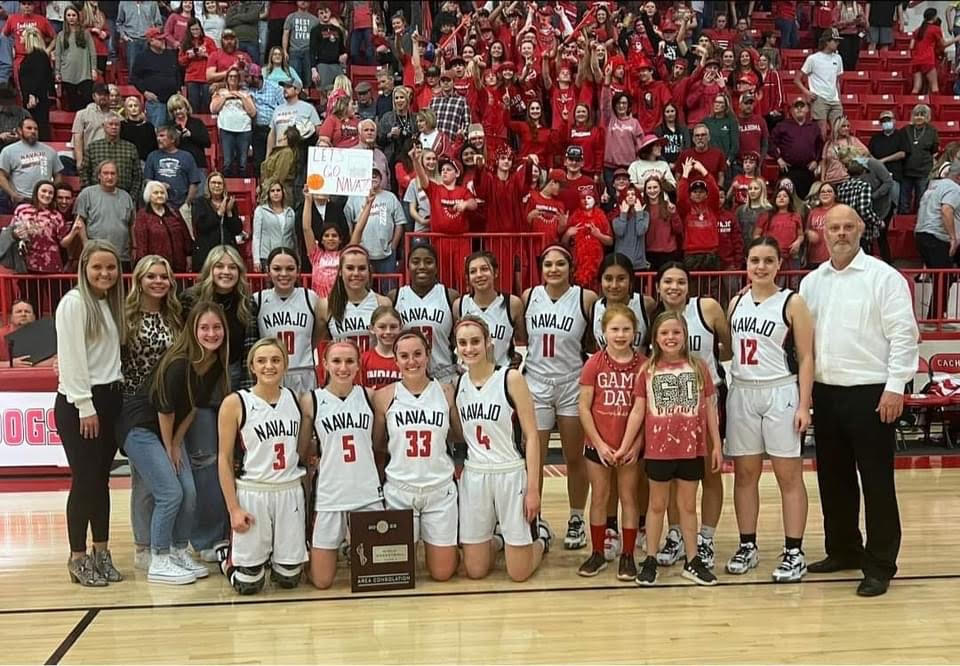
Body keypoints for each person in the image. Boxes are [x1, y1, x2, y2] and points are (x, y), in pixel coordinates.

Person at [799, 204, 920, 597]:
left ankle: (880, 563)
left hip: (872, 393)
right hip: (826, 392)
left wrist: (896, 386)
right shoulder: (812, 282)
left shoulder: (884, 278)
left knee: (877, 482)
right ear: (824, 232)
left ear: (861, 230)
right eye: (834, 227)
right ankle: (844, 549)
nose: (841, 233)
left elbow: (904, 334)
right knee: (833, 479)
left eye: (848, 227)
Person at [724, 237, 814, 582]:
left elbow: (807, 357)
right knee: (745, 475)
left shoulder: (792, 303)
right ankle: (748, 545)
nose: (760, 266)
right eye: (754, 260)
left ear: (779, 265)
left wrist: (805, 404)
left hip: (780, 390)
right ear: (745, 264)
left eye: (767, 260)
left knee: (787, 476)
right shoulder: (735, 303)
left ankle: (794, 551)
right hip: (743, 390)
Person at [125, 298, 225, 585]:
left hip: (169, 430)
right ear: (192, 329)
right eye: (204, 327)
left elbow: (192, 406)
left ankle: (180, 550)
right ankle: (159, 558)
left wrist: (178, 441)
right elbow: (164, 409)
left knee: (189, 491)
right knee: (170, 492)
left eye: (216, 327)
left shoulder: (213, 362)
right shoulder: (180, 362)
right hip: (141, 427)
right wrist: (170, 448)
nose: (211, 333)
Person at [621, 310, 723, 586]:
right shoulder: (648, 370)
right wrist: (625, 444)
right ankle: (650, 559)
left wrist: (716, 445)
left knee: (688, 506)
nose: (671, 337)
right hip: (659, 451)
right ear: (655, 338)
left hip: (691, 450)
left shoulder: (699, 366)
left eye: (676, 332)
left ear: (685, 335)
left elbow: (710, 409)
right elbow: (638, 411)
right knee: (656, 505)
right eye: (664, 333)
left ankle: (692, 561)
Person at [644, 261, 731, 572]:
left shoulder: (706, 308)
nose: (674, 287)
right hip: (668, 412)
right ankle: (677, 534)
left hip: (705, 400)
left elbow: (728, 348)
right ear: (658, 286)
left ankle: (705, 537)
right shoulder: (654, 317)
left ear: (688, 286)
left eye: (680, 281)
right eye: (667, 281)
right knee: (672, 476)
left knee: (709, 472)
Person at [454, 316, 552, 581]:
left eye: (475, 341)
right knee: (475, 571)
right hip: (475, 475)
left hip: (510, 472)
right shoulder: (459, 384)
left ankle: (541, 537)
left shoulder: (510, 379)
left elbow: (532, 436)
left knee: (518, 574)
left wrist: (533, 489)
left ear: (489, 342)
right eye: (463, 343)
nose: (469, 348)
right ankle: (499, 539)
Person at [55, 240, 125, 587]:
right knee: (84, 481)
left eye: (110, 267)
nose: (104, 273)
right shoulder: (74, 303)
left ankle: (102, 551)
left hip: (110, 399)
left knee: (100, 480)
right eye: (97, 267)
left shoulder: (110, 304)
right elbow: (72, 360)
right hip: (82, 403)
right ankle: (77, 555)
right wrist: (85, 406)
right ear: (84, 268)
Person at [217, 338, 308, 595]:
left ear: (285, 365)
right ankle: (229, 558)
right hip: (253, 491)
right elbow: (223, 459)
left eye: (276, 360)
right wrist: (233, 508)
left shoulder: (294, 398)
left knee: (289, 580)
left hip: (289, 491)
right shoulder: (235, 402)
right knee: (249, 586)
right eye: (262, 361)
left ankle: (275, 557)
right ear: (252, 367)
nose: (269, 366)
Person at [522, 245, 599, 550]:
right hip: (537, 382)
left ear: (571, 267)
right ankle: (535, 517)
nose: (553, 269)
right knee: (536, 458)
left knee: (574, 457)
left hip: (571, 382)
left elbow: (593, 339)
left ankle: (577, 518)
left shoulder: (585, 298)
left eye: (560, 264)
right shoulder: (529, 297)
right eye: (548, 264)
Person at [300, 340, 382, 589]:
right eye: (336, 361)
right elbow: (303, 450)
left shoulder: (370, 396)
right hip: (330, 493)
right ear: (324, 364)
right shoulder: (311, 400)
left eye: (349, 361)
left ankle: (349, 548)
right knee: (323, 582)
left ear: (359, 366)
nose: (343, 367)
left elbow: (377, 442)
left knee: (374, 577)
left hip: (366, 492)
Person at [118, 255, 181, 573]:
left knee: (150, 481)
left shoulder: (174, 316)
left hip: (166, 407)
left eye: (163, 276)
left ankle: (159, 547)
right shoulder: (125, 317)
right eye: (151, 276)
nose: (158, 281)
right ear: (138, 280)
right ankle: (147, 547)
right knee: (149, 484)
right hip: (134, 408)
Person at [576, 303, 646, 580]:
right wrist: (600, 444)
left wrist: (635, 443)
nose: (620, 334)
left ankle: (627, 555)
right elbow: (584, 407)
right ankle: (597, 553)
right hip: (598, 445)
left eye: (626, 329)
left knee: (629, 497)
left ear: (635, 332)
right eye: (614, 329)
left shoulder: (643, 365)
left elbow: (644, 409)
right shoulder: (593, 363)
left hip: (629, 447)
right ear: (603, 332)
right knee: (600, 498)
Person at [253, 247, 323, 394]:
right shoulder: (257, 299)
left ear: (298, 270)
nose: (284, 274)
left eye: (290, 268)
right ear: (268, 270)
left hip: (303, 373)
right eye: (277, 269)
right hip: (270, 373)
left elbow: (318, 333)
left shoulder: (310, 297)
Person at [391, 245, 459, 384]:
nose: (422, 266)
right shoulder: (395, 296)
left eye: (428, 262)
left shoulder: (450, 296)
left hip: (444, 375)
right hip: (407, 374)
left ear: (436, 267)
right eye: (415, 262)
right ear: (408, 266)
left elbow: (457, 338)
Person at [453, 251, 524, 369]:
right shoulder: (459, 305)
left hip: (501, 376)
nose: (479, 275)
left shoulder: (512, 304)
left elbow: (523, 341)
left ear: (495, 272)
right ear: (468, 278)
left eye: (484, 269)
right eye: (473, 271)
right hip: (469, 375)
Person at [914, 160, 960, 321]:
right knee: (945, 278)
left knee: (941, 278)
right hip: (936, 236)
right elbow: (946, 210)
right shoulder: (954, 189)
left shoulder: (933, 186)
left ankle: (935, 315)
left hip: (921, 233)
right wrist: (953, 237)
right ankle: (937, 317)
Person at [325, 245, 392, 352]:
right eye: (350, 268)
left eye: (361, 268)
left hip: (372, 368)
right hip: (342, 368)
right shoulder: (326, 306)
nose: (356, 273)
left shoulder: (383, 303)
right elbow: (323, 346)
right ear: (341, 271)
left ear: (369, 271)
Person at [74, 161, 137, 270]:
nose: (109, 177)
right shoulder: (87, 194)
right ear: (99, 175)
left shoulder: (126, 197)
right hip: (95, 254)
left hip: (122, 255)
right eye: (106, 173)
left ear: (118, 176)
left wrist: (134, 247)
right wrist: (85, 243)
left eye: (113, 173)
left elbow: (131, 225)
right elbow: (79, 221)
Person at [10, 180, 77, 277]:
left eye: (50, 193)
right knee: (29, 292)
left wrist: (74, 231)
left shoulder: (57, 216)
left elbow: (63, 243)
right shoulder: (22, 209)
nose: (47, 195)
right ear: (36, 192)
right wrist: (17, 233)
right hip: (26, 263)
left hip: (51, 264)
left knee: (54, 292)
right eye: (44, 191)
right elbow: (12, 231)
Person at [0, 118, 62, 214]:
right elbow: (1, 175)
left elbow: (58, 174)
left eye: (35, 129)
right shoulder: (8, 151)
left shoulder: (50, 151)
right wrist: (12, 194)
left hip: (45, 199)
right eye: (29, 128)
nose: (33, 131)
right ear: (19, 131)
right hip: (22, 199)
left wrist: (53, 192)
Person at [134, 180, 193, 272]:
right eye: (155, 193)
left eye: (162, 193)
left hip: (179, 266)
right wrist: (143, 265)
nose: (159, 195)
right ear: (149, 195)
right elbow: (142, 244)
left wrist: (189, 255)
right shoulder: (143, 215)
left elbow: (185, 235)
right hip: (156, 267)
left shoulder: (174, 213)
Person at [80, 113, 144, 199]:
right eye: (110, 124)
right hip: (97, 197)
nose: (114, 127)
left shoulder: (130, 148)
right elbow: (84, 172)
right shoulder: (93, 147)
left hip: (124, 197)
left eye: (117, 124)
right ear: (104, 126)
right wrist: (90, 195)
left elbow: (138, 176)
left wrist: (131, 197)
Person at [770, 98, 823, 199]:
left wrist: (816, 161)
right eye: (796, 107)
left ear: (807, 109)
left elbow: (820, 146)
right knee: (787, 200)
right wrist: (778, 158)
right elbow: (770, 142)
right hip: (789, 171)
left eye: (802, 106)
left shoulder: (814, 127)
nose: (799, 109)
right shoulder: (783, 125)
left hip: (807, 171)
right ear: (791, 110)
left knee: (806, 201)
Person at [795, 31, 844, 140]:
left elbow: (837, 81)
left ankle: (834, 153)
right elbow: (797, 79)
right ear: (827, 42)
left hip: (834, 99)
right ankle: (821, 155)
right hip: (819, 98)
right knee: (821, 131)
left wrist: (839, 100)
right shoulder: (813, 58)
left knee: (838, 130)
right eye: (835, 41)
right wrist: (807, 92)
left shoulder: (838, 58)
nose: (837, 43)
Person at [144, 126, 202, 216]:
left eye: (162, 136)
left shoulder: (186, 156)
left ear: (172, 139)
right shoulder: (152, 156)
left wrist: (186, 205)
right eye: (158, 136)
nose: (158, 139)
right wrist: (159, 185)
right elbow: (147, 180)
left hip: (181, 206)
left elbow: (194, 183)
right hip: (158, 206)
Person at [130, 27, 180, 130]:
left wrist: (179, 89)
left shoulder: (170, 55)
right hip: (156, 102)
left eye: (163, 39)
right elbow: (134, 77)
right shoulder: (142, 57)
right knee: (158, 131)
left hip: (173, 101)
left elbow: (177, 74)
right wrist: (144, 92)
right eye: (160, 39)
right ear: (151, 41)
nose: (163, 41)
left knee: (174, 133)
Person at [211, 67, 257, 178]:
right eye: (230, 76)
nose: (233, 79)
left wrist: (241, 97)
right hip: (226, 129)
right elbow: (213, 109)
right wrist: (226, 97)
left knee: (243, 162)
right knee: (227, 161)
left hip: (244, 130)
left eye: (235, 76)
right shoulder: (220, 93)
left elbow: (252, 112)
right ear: (227, 78)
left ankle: (242, 185)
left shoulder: (245, 93)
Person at [192, 171, 242, 269]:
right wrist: (219, 213)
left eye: (219, 183)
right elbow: (201, 227)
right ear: (208, 185)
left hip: (227, 252)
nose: (216, 186)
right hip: (206, 252)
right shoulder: (200, 202)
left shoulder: (230, 202)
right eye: (213, 183)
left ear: (224, 186)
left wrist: (229, 212)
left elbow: (237, 230)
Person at [55, 5, 97, 112]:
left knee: (87, 100)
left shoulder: (85, 34)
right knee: (72, 103)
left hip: (84, 73)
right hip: (67, 73)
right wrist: (57, 72)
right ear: (65, 17)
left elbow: (92, 52)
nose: (71, 18)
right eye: (68, 15)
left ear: (78, 17)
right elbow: (58, 55)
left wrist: (93, 69)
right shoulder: (61, 35)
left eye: (73, 15)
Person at [900, 104, 940, 214]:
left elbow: (934, 149)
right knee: (904, 200)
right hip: (906, 170)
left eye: (922, 115)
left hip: (923, 171)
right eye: (916, 115)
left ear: (927, 117)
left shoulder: (932, 131)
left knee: (921, 199)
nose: (919, 117)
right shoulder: (905, 130)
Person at [251, 180, 296, 273]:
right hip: (267, 256)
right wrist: (256, 260)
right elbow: (256, 236)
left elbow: (293, 236)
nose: (276, 193)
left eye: (278, 190)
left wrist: (296, 257)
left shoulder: (290, 211)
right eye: (272, 191)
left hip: (287, 256)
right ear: (268, 193)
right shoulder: (260, 211)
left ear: (283, 192)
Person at [17, 27, 54, 139]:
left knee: (38, 125)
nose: (20, 39)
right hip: (31, 97)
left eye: (22, 36)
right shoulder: (34, 55)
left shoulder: (38, 55)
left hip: (36, 99)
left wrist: (33, 94)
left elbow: (39, 77)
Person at [267, 79, 321, 155]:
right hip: (279, 153)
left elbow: (318, 130)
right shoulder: (277, 109)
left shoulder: (308, 108)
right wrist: (268, 154)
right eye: (284, 87)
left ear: (297, 91)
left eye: (288, 87)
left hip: (300, 152)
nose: (285, 89)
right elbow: (272, 134)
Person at [179, 18, 217, 114]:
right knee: (193, 104)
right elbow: (180, 61)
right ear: (189, 30)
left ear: (201, 29)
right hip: (191, 78)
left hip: (206, 77)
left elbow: (216, 58)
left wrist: (206, 54)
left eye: (197, 29)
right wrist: (189, 56)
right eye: (193, 29)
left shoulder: (208, 41)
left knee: (207, 104)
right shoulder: (185, 43)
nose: (195, 32)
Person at [359, 305, 402, 388]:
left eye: (393, 327)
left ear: (400, 328)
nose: (388, 331)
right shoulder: (364, 359)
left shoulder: (405, 359)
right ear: (372, 328)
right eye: (382, 327)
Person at [116, 0, 162, 73]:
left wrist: (153, 37)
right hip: (131, 40)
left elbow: (158, 24)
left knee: (150, 69)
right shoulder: (124, 3)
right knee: (133, 69)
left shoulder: (152, 3)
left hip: (148, 42)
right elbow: (119, 23)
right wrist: (124, 36)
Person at [120, 95, 158, 162]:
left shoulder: (149, 126)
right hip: (127, 160)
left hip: (146, 161)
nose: (133, 108)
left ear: (140, 107)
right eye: (130, 106)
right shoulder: (122, 125)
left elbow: (154, 147)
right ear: (126, 108)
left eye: (135, 105)